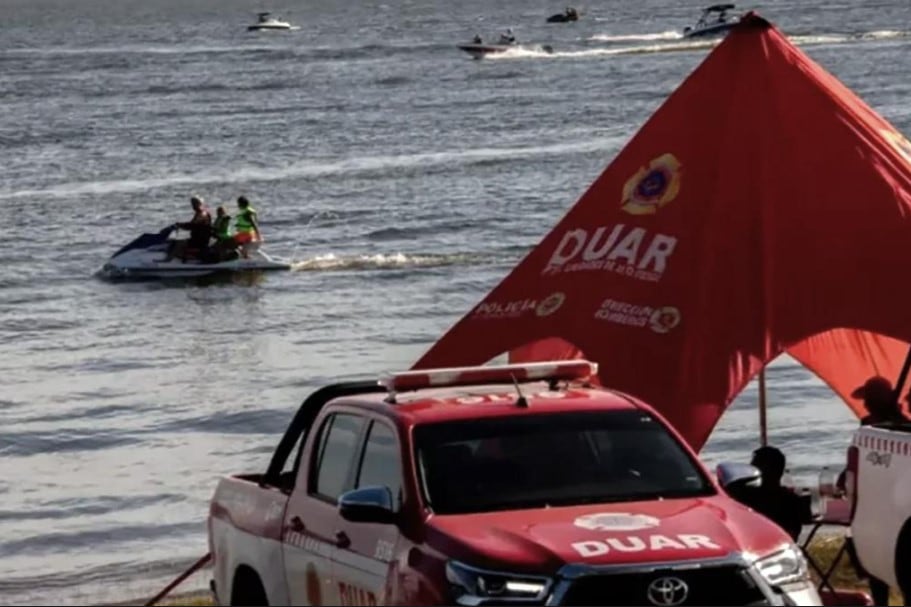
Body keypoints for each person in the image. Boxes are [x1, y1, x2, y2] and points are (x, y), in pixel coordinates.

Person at [840, 375, 909, 605]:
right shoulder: (883, 429)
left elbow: (851, 476)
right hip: (886, 509)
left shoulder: (875, 431)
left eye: (868, 400)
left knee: (877, 561)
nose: (866, 404)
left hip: (882, 512)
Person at [729, 446, 811, 541]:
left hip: (754, 545)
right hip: (783, 545)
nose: (750, 468)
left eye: (753, 465)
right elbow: (806, 518)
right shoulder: (791, 500)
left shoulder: (744, 495)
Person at [162, 196, 212, 262]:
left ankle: (167, 261)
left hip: (200, 240)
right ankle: (177, 257)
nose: (193, 206)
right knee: (173, 241)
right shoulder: (199, 213)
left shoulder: (202, 214)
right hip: (196, 238)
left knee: (178, 243)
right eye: (192, 204)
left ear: (199, 204)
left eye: (194, 204)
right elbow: (191, 224)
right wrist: (180, 225)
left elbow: (192, 225)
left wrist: (180, 225)